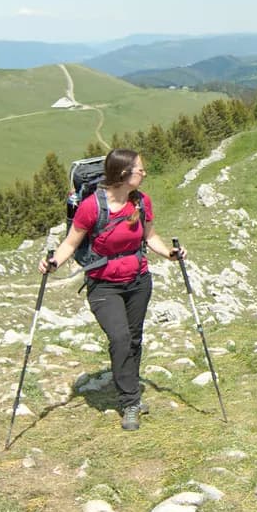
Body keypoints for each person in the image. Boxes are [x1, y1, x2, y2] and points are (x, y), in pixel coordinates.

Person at [40, 148, 184, 431]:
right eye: (139, 169)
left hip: (139, 281)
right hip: (103, 284)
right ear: (123, 174)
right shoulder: (91, 207)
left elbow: (150, 236)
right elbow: (70, 243)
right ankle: (130, 401)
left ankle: (129, 393)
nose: (144, 173)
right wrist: (53, 261)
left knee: (133, 339)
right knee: (119, 338)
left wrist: (169, 254)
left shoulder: (142, 202)